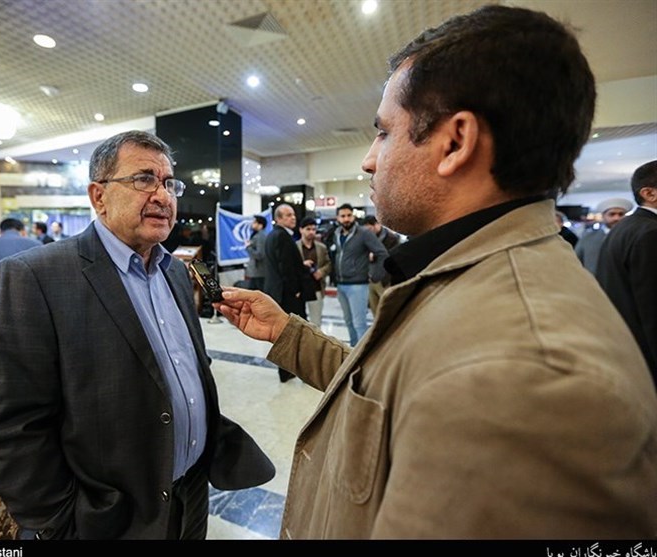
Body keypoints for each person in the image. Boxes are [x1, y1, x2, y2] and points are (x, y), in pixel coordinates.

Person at [214, 5, 656, 538]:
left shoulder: (530, 375)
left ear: (455, 142)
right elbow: (387, 393)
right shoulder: (463, 270)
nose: (369, 160)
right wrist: (288, 333)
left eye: (384, 132)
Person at [0, 130, 274, 540]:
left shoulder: (175, 272)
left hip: (190, 499)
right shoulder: (35, 276)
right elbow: (6, 429)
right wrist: (63, 522)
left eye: (169, 183)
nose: (163, 196)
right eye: (144, 179)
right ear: (98, 196)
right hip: (108, 520)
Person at [596, 160, 657, 387]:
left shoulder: (627, 227)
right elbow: (651, 306)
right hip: (646, 351)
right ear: (649, 193)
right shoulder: (650, 232)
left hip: (627, 344)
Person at [263, 203, 310, 382]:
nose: (293, 217)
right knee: (292, 332)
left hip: (276, 291)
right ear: (279, 218)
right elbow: (285, 267)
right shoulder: (282, 236)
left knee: (284, 333)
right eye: (288, 215)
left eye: (293, 214)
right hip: (286, 293)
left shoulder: (272, 235)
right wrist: (295, 289)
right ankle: (288, 371)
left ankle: (287, 370)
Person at [331, 203, 388, 346]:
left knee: (359, 324)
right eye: (343, 216)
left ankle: (362, 354)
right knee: (349, 322)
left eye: (349, 215)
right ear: (337, 218)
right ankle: (352, 351)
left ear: (353, 216)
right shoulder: (337, 233)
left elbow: (382, 253)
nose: (346, 219)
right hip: (341, 284)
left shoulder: (364, 233)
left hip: (358, 285)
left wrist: (376, 275)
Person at [574, 197, 633, 274]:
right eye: (612, 214)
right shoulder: (588, 238)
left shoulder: (632, 237)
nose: (616, 218)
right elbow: (576, 261)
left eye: (621, 214)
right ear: (603, 216)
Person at [296, 216, 331, 327]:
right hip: (299, 289)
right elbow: (289, 266)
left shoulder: (321, 247)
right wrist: (302, 265)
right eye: (308, 229)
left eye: (314, 229)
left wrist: (321, 272)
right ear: (301, 230)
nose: (311, 232)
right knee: (298, 322)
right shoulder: (294, 247)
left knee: (316, 322)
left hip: (316, 287)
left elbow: (328, 264)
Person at [362, 215, 400, 317]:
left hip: (385, 280)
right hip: (371, 278)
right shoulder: (367, 239)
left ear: (377, 225)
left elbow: (392, 257)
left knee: (388, 311)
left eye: (370, 229)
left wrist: (375, 255)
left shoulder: (391, 239)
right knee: (375, 311)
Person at [244, 215, 267, 291]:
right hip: (257, 272)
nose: (252, 224)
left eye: (255, 222)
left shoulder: (260, 236)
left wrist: (248, 247)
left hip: (258, 272)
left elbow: (260, 254)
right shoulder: (258, 235)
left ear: (260, 225)